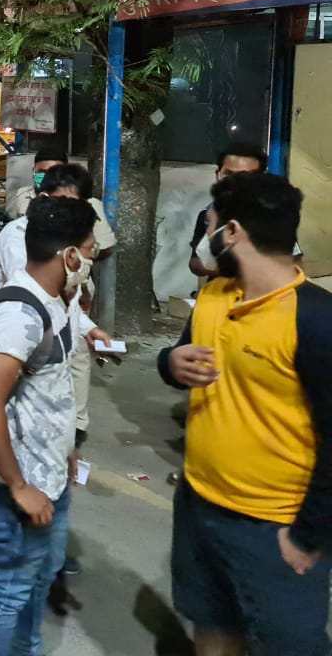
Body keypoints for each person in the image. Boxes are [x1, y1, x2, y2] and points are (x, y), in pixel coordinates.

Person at [158, 172, 331, 655]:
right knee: (211, 625)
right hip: (197, 504)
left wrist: (309, 536)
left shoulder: (315, 319)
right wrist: (170, 362)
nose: (204, 237)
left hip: (274, 527)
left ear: (231, 232)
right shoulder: (213, 296)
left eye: (209, 223)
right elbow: (176, 362)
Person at [0, 195, 97, 655]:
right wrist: (19, 485)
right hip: (15, 484)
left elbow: (48, 390)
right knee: (7, 588)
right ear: (69, 255)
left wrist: (64, 448)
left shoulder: (55, 301)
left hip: (48, 473)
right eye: (90, 249)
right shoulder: (18, 315)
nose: (92, 258)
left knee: (37, 578)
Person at [186, 142, 300, 279]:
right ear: (218, 175)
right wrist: (221, 268)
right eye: (228, 174)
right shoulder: (208, 216)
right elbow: (194, 262)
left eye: (244, 176)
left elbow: (294, 263)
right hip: (219, 295)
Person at [6, 147, 118, 252]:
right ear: (34, 171)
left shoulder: (88, 204)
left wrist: (80, 255)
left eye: (53, 172)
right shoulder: (22, 196)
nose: (47, 177)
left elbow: (106, 247)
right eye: (42, 172)